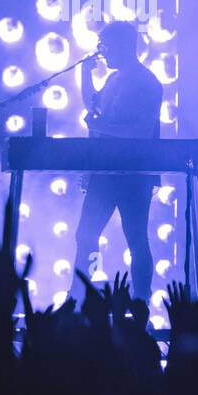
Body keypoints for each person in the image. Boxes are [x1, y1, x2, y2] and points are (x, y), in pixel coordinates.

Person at [71, 21, 163, 300]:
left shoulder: (146, 82)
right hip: (106, 170)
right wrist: (85, 76)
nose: (102, 52)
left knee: (136, 237)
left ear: (123, 45)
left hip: (134, 173)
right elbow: (94, 108)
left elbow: (141, 131)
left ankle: (142, 301)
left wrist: (100, 128)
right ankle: (78, 295)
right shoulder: (114, 79)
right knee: (85, 235)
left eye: (105, 45)